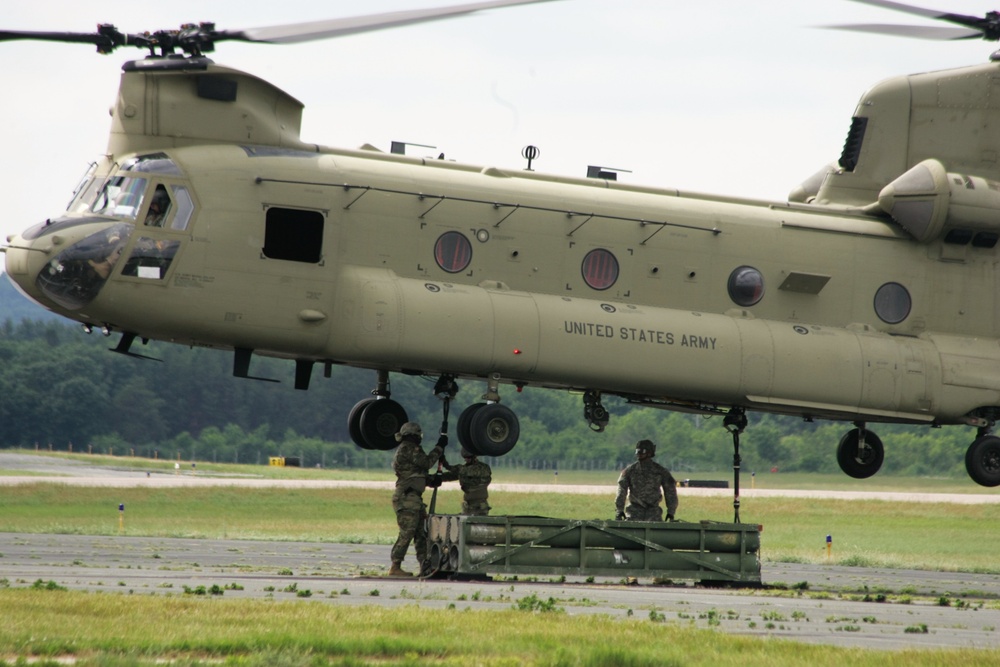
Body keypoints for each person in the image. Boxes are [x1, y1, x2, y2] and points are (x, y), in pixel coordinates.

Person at [388, 421, 447, 577]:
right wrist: (439, 448)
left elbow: (417, 473)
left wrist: (433, 480)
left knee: (421, 534)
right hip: (407, 498)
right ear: (413, 436)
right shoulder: (408, 449)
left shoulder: (409, 451)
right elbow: (426, 463)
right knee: (408, 532)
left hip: (414, 498)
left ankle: (425, 566)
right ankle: (395, 566)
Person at [614, 439, 678, 522]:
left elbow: (670, 491)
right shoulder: (630, 471)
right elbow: (621, 490)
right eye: (638, 451)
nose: (639, 454)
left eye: (642, 451)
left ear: (650, 453)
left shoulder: (660, 471)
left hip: (653, 513)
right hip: (634, 512)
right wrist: (619, 509)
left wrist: (671, 511)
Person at [439, 447, 492, 515]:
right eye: (465, 458)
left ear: (474, 457)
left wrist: (447, 466)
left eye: (468, 458)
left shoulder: (483, 468)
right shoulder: (464, 470)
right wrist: (432, 478)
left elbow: (468, 471)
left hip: (479, 507)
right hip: (468, 507)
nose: (466, 460)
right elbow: (451, 476)